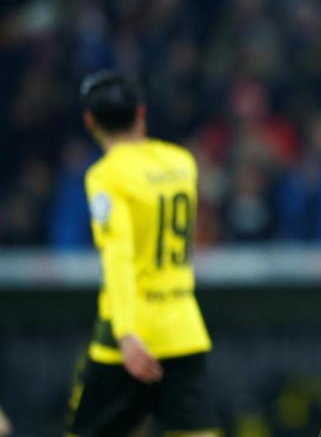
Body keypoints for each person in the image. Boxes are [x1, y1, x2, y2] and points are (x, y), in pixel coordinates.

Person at [67, 71, 217, 436]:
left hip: (130, 335)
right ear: (141, 113)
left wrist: (126, 333)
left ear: (90, 121)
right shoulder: (182, 162)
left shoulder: (105, 176)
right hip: (183, 328)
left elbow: (118, 256)